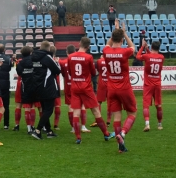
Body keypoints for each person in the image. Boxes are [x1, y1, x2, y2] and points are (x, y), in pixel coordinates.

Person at [68, 37, 115, 144]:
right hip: (86, 88)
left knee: (76, 112)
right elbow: (93, 73)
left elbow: (70, 73)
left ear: (79, 43)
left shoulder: (70, 57)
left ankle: (78, 137)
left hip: (75, 87)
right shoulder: (89, 57)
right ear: (88, 47)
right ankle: (106, 134)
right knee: (95, 111)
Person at [103, 19, 137, 153]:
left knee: (117, 117)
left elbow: (108, 44)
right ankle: (122, 134)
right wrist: (125, 34)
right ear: (122, 39)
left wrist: (115, 31)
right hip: (124, 88)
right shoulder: (124, 52)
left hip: (111, 89)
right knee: (132, 113)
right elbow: (133, 47)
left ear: (112, 38)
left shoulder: (106, 51)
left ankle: (120, 146)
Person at [30, 40, 61, 139]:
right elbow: (57, 70)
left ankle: (49, 131)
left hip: (37, 86)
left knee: (44, 109)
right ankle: (38, 130)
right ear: (48, 48)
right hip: (47, 86)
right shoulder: (46, 57)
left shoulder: (34, 57)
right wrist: (56, 62)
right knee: (49, 109)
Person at [136, 40, 164, 132]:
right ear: (159, 48)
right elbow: (153, 57)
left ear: (152, 47)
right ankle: (159, 124)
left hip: (148, 84)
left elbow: (138, 56)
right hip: (157, 84)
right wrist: (147, 49)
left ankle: (147, 124)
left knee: (146, 105)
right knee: (158, 105)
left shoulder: (147, 56)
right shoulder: (161, 57)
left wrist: (143, 47)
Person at [15, 46, 35, 134]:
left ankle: (19, 125)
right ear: (30, 52)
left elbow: (19, 73)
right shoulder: (34, 61)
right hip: (33, 84)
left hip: (22, 84)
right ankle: (32, 126)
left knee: (22, 105)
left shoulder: (19, 62)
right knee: (33, 106)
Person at [0, 44, 12, 130]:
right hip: (5, 84)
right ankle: (6, 125)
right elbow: (9, 68)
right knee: (6, 105)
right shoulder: (8, 59)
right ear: (4, 49)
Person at [50, 45, 62, 130]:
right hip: (56, 85)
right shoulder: (56, 61)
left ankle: (44, 125)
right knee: (57, 105)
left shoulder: (45, 60)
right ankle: (56, 124)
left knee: (45, 107)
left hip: (46, 86)